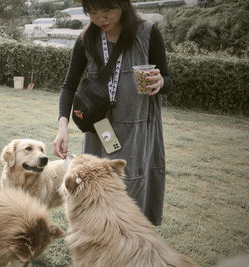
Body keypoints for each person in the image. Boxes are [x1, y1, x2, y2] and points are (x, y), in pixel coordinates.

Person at [53, 0, 172, 226]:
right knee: (94, 197)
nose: (100, 18)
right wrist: (62, 128)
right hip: (100, 130)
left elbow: (168, 80)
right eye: (93, 11)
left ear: (123, 5)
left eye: (107, 10)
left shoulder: (147, 33)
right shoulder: (87, 39)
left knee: (132, 197)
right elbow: (69, 86)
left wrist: (160, 82)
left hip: (137, 132)